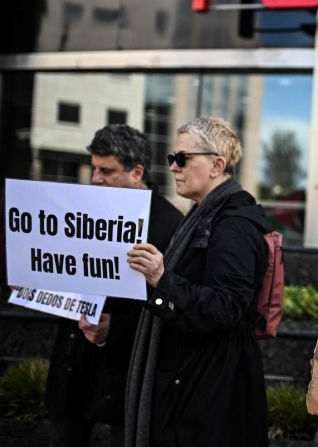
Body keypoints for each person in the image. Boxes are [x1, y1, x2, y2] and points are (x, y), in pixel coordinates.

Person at [124, 116, 271, 447]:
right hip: (199, 382)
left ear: (217, 165)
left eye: (182, 158)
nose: (173, 167)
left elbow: (226, 307)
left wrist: (162, 279)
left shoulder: (232, 224)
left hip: (210, 392)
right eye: (172, 158)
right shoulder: (205, 215)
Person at [45, 124, 183, 447]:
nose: (95, 179)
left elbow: (173, 306)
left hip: (128, 378)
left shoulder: (170, 226)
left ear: (137, 172)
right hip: (73, 368)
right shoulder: (77, 210)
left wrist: (115, 329)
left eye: (106, 171)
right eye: (94, 168)